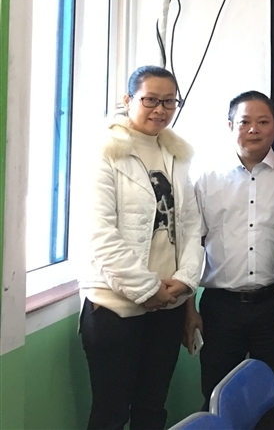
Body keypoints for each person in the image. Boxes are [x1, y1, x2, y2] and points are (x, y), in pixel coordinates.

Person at [78, 65, 202, 430]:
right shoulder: (105, 151)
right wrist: (147, 289)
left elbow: (191, 227)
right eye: (151, 100)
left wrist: (185, 281)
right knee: (111, 413)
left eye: (169, 102)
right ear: (128, 99)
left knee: (152, 409)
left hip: (167, 305)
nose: (160, 110)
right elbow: (100, 234)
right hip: (114, 307)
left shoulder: (177, 154)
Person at [184, 91, 274, 422]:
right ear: (230, 126)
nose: (254, 129)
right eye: (245, 122)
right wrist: (189, 308)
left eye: (263, 122)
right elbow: (192, 244)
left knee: (273, 399)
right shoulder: (206, 178)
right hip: (220, 308)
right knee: (215, 398)